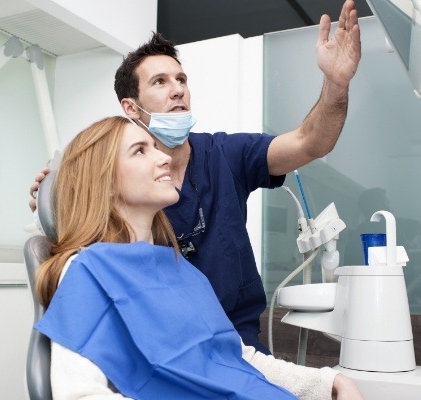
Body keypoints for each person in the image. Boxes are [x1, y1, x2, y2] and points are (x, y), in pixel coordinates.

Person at [30, 0, 361, 354]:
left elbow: (310, 142)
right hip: (163, 346)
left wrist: (335, 84)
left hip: (237, 345)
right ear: (131, 107)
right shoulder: (116, 178)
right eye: (160, 81)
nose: (178, 90)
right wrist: (52, 196)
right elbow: (75, 224)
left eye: (181, 79)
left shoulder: (226, 155)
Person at [34, 116, 364, 400]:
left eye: (155, 146)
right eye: (140, 150)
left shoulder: (180, 270)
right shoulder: (88, 271)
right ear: (103, 183)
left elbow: (235, 359)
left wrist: (327, 382)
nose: (162, 157)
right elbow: (79, 394)